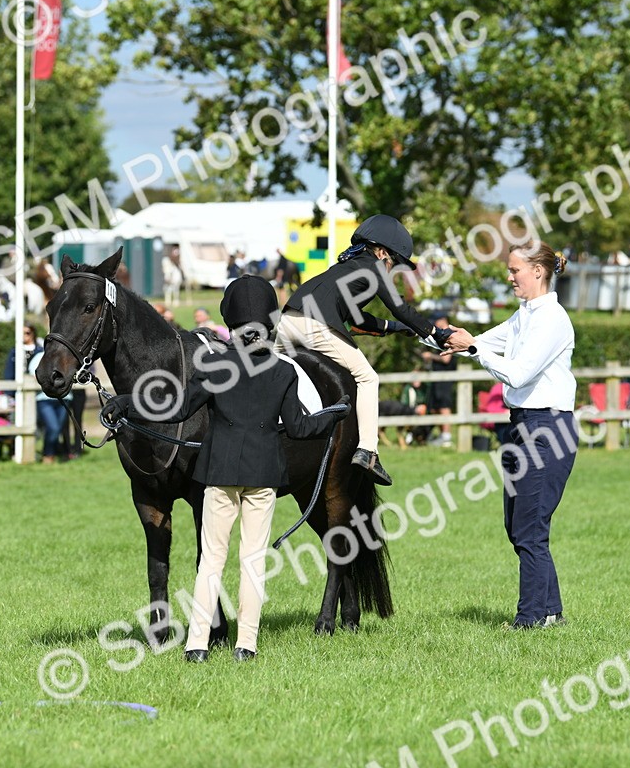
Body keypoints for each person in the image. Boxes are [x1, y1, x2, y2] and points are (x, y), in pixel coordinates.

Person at [102, 276, 349, 662]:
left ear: (230, 323)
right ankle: (246, 645)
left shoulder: (216, 367)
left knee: (211, 560)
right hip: (263, 477)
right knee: (253, 560)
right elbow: (300, 428)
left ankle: (197, 645)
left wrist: (127, 402)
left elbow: (176, 408)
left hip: (219, 474)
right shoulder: (283, 372)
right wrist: (334, 415)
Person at [274, 214, 470, 485]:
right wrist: (435, 333)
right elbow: (400, 307)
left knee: (275, 381)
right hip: (314, 326)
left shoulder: (348, 269)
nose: (393, 271)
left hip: (286, 323)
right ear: (381, 252)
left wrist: (395, 328)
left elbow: (357, 320)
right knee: (367, 377)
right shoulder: (375, 267)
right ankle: (368, 451)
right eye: (395, 263)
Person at [441, 242, 576, 629]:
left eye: (515, 269)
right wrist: (423, 331)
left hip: (547, 429)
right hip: (521, 425)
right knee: (519, 526)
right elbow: (481, 343)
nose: (509, 276)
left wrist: (473, 349)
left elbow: (517, 373)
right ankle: (550, 611)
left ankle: (530, 618)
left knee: (530, 528)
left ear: (538, 271)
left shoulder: (552, 319)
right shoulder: (524, 315)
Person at [420, 312, 457, 447]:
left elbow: (446, 359)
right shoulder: (441, 336)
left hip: (445, 376)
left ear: (442, 320)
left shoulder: (449, 335)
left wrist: (430, 356)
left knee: (444, 405)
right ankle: (442, 435)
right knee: (436, 406)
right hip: (438, 376)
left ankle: (446, 437)